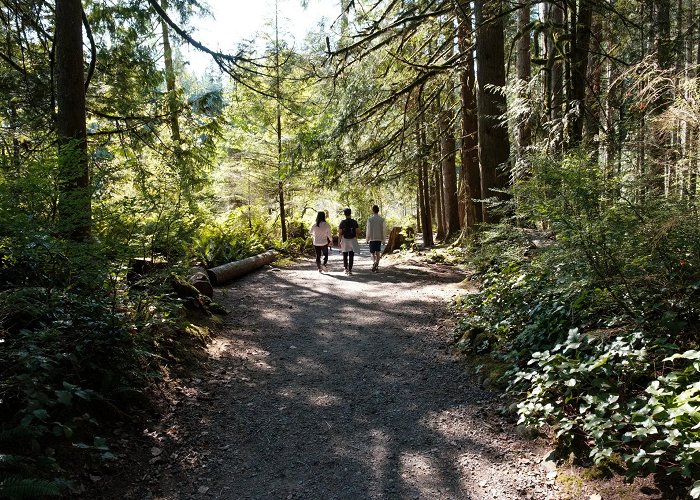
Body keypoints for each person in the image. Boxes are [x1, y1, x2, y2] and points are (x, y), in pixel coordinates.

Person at [338, 207, 360, 275]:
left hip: (345, 240)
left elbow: (340, 233)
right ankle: (350, 270)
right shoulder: (354, 222)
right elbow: (358, 231)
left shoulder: (342, 222)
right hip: (352, 239)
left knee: (345, 255)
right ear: (350, 213)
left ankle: (345, 269)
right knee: (351, 255)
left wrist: (339, 241)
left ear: (344, 214)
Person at [366, 204, 385, 272]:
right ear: (378, 211)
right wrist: (383, 240)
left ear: (373, 211)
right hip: (379, 238)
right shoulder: (382, 219)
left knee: (372, 253)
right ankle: (376, 265)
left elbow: (368, 230)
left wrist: (367, 239)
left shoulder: (370, 219)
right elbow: (383, 230)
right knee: (378, 253)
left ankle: (374, 263)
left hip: (372, 238)